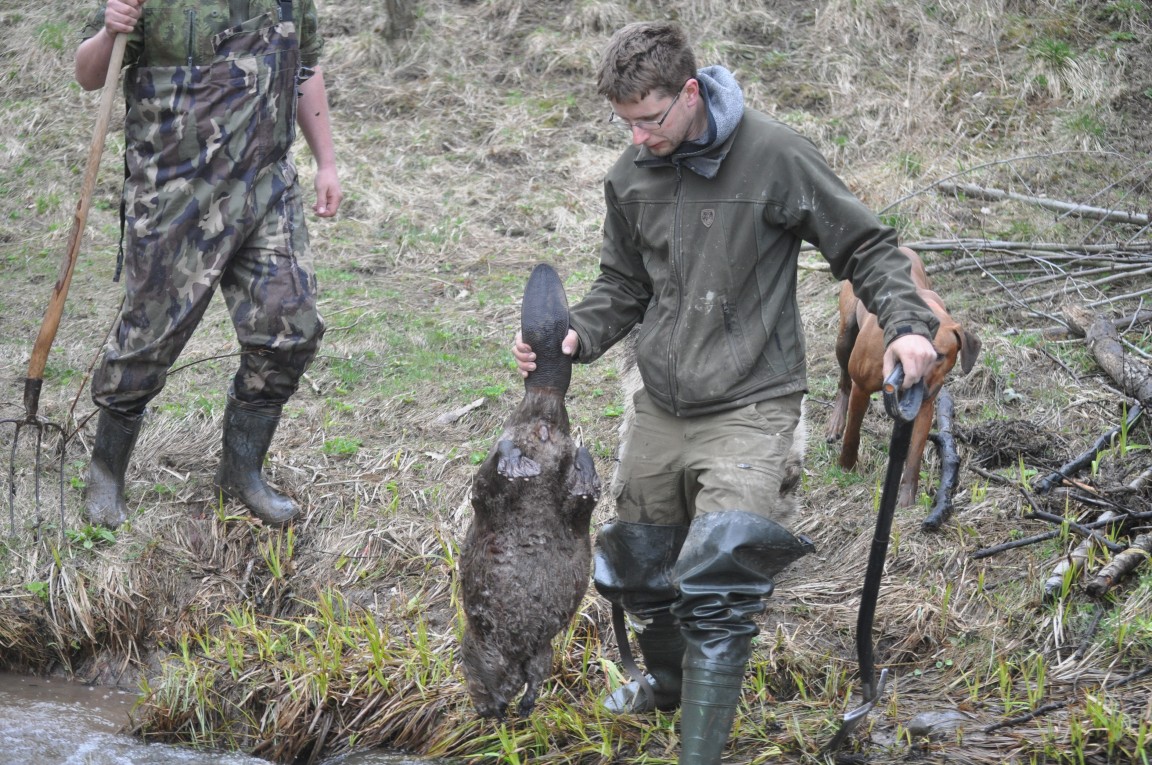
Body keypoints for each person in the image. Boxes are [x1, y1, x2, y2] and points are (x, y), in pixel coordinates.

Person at [512, 21, 940, 765]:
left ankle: (698, 752)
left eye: (650, 120)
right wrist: (579, 332)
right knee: (641, 564)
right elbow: (623, 284)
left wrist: (905, 325)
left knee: (717, 576)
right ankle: (670, 683)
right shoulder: (631, 174)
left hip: (753, 399)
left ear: (689, 92)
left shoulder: (775, 154)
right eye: (625, 124)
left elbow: (865, 245)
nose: (638, 137)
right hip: (662, 399)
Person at [75, 0, 342, 529]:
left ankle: (240, 474)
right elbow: (87, 74)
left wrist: (327, 162)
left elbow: (305, 69)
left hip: (266, 187)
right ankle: (106, 474)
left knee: (289, 330)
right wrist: (110, 32)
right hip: (178, 196)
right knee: (147, 343)